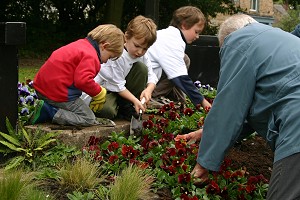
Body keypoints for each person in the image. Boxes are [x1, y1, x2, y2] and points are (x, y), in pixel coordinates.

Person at [180, 14, 300, 200]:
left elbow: (229, 106)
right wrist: (207, 132)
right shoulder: (280, 39)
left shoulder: (239, 41)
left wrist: (204, 162)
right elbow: (253, 108)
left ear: (227, 40)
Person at [29, 24, 124, 126]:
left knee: (78, 110)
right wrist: (99, 92)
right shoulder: (91, 56)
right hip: (58, 93)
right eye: (109, 57)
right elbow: (83, 81)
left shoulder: (81, 45)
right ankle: (49, 112)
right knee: (88, 118)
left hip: (43, 88)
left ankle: (48, 107)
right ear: (104, 46)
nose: (106, 62)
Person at [80, 15, 158, 121]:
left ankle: (126, 106)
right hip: (104, 90)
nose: (140, 52)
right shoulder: (116, 55)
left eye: (145, 48)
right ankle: (124, 106)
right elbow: (118, 85)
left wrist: (148, 90)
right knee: (108, 111)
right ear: (126, 37)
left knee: (141, 68)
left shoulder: (142, 56)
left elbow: (151, 75)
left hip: (122, 91)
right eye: (137, 46)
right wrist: (135, 100)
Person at [147, 6, 211, 109]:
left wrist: (182, 100)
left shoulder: (169, 35)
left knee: (184, 59)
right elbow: (179, 77)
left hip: (152, 75)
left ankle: (168, 97)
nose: (197, 37)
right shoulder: (172, 41)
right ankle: (153, 96)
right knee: (182, 64)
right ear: (184, 26)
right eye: (196, 32)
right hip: (146, 83)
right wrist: (202, 101)